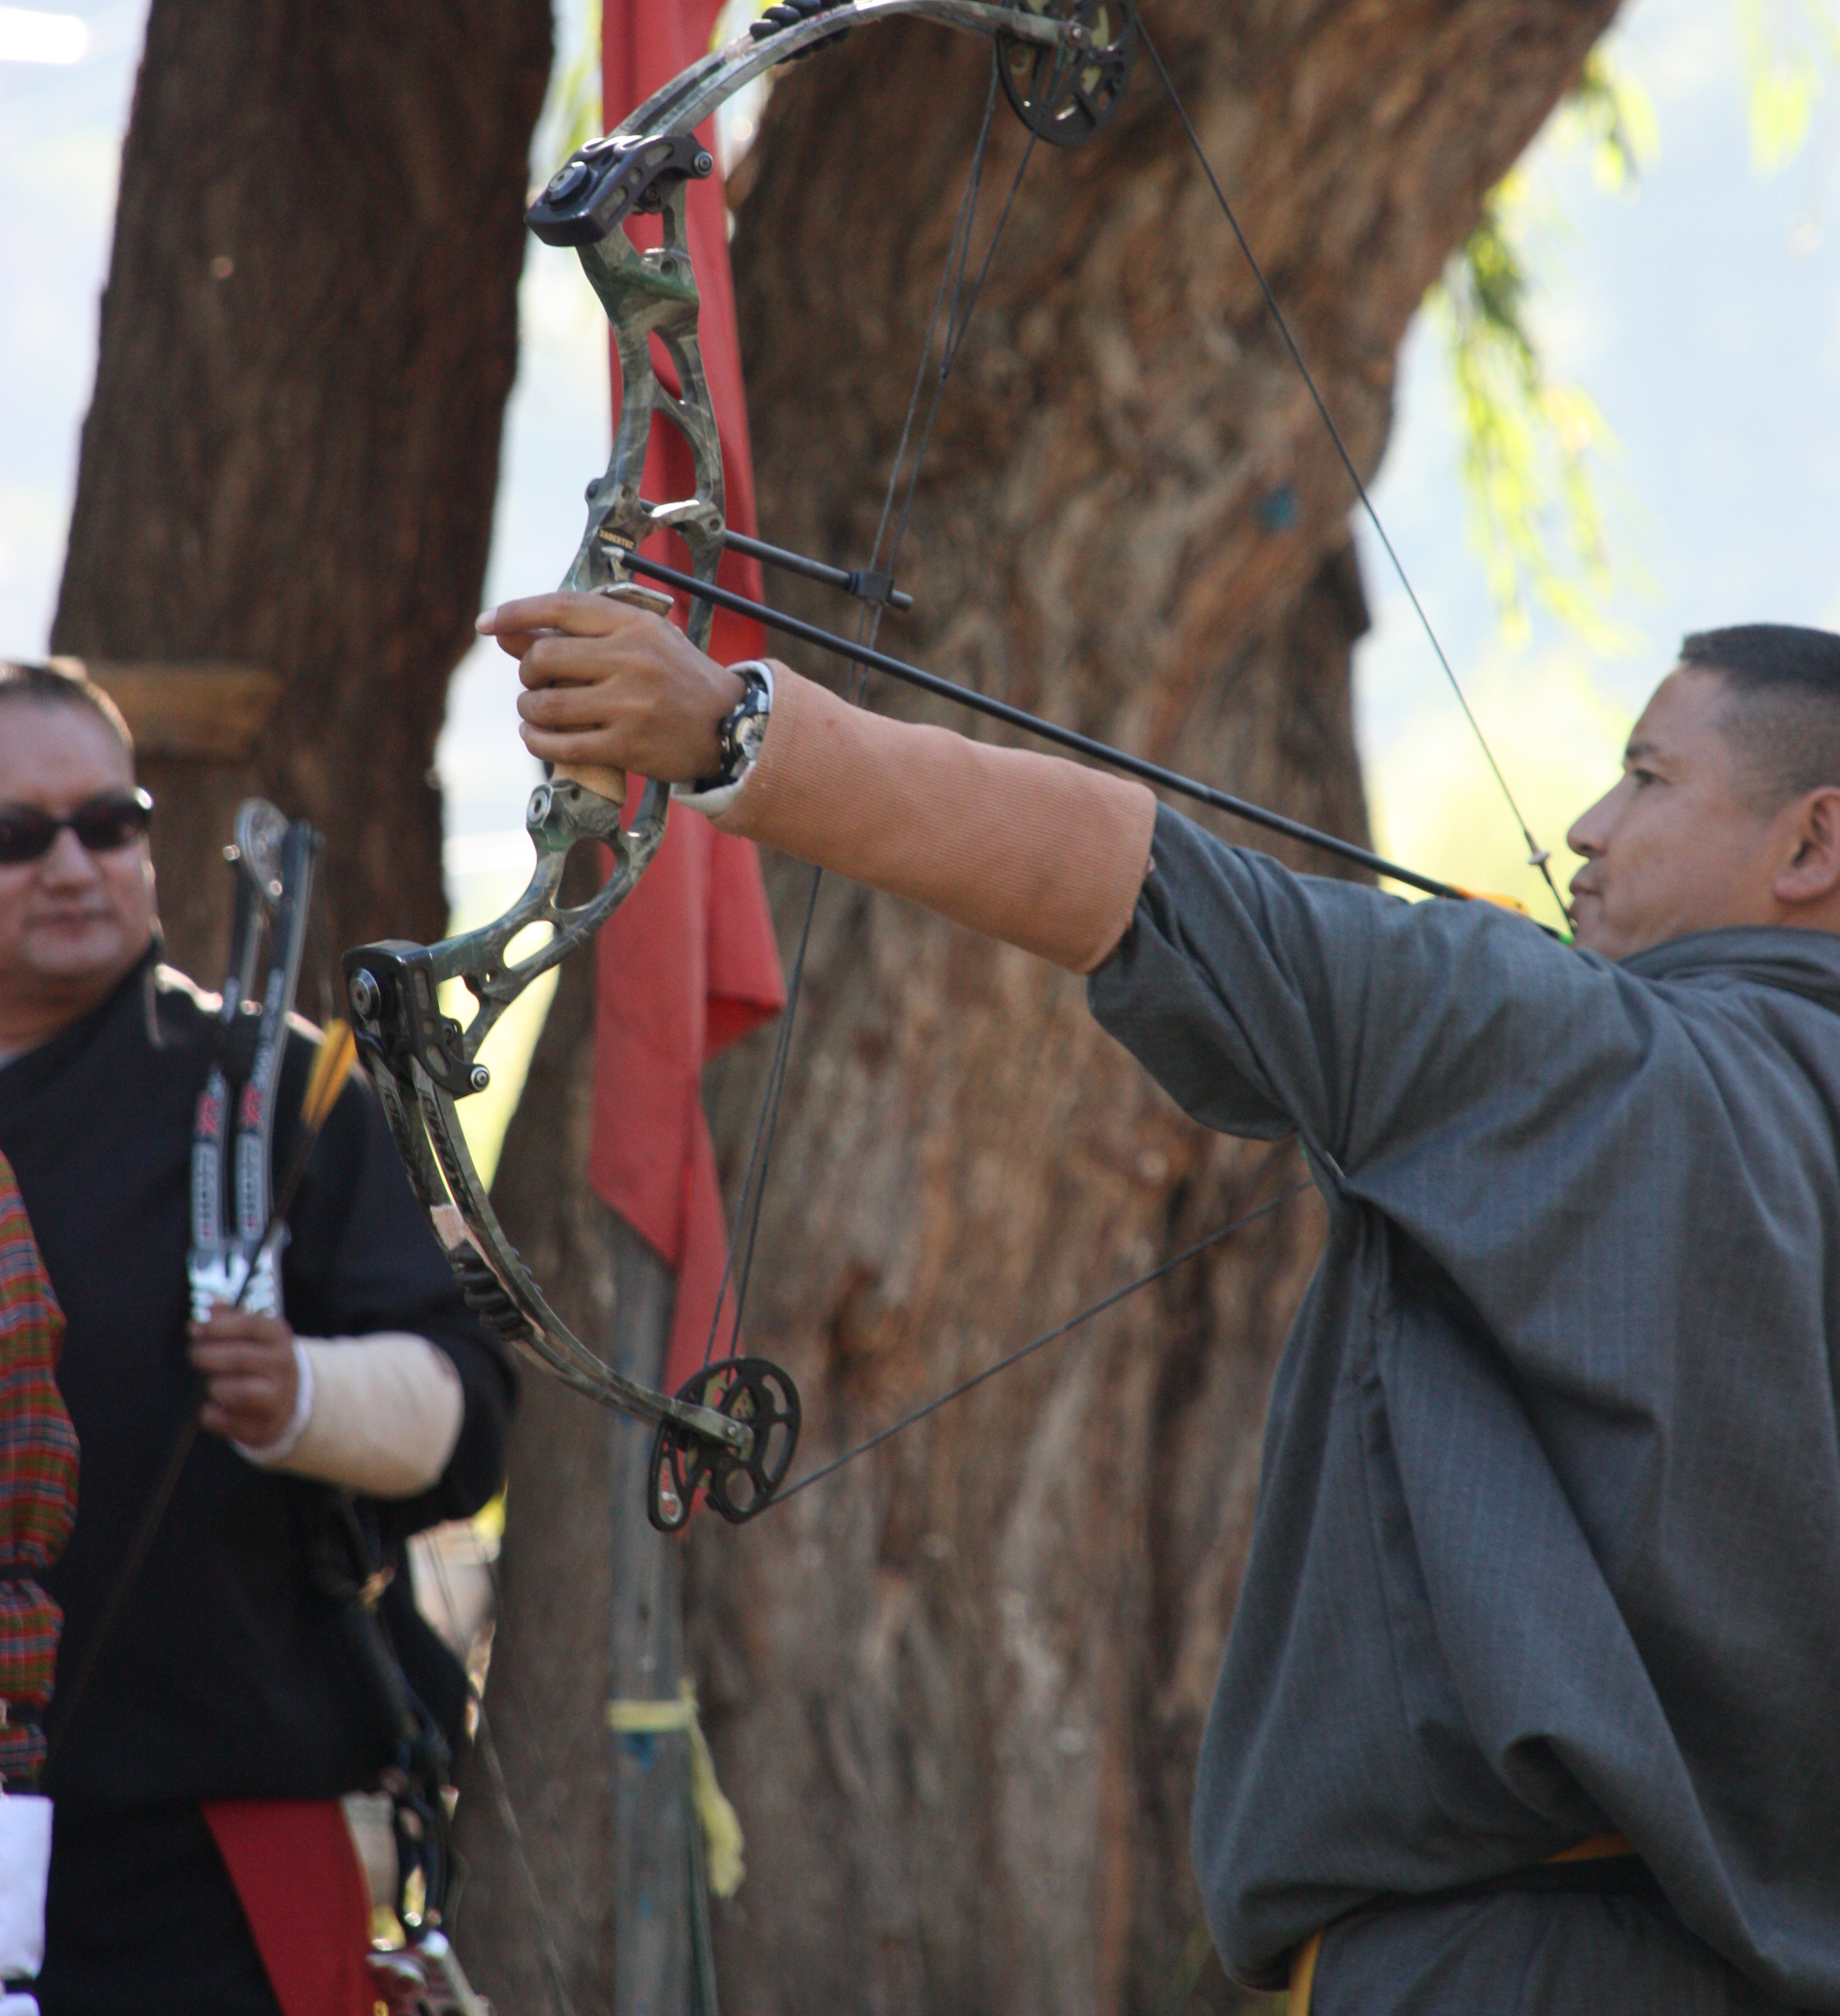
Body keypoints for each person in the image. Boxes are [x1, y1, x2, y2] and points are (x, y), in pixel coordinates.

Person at [481, 590, 1840, 2016]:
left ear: (1812, 838)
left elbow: (1137, 884)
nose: (1584, 828)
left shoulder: (1561, 1044)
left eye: (1645, 776)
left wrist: (725, 727)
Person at [0, 661, 515, 2016]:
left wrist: (302, 1397)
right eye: (16, 834)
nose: (72, 863)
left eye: (109, 822)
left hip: (208, 1851)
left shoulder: (267, 1086)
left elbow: (467, 1414)